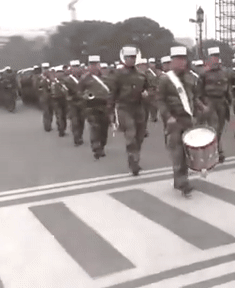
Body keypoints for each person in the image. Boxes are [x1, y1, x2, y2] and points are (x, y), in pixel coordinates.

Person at [157, 46, 206, 197]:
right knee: (177, 152)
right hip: (174, 120)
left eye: (183, 60)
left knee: (189, 152)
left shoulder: (191, 78)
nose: (181, 63)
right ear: (172, 61)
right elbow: (160, 100)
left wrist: (201, 107)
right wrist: (168, 117)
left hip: (188, 119)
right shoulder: (165, 79)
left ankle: (181, 179)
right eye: (178, 60)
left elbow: (194, 96)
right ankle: (182, 182)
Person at [110, 46, 150, 175]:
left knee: (140, 135)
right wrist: (110, 111)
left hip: (138, 107)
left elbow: (149, 88)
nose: (131, 60)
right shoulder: (118, 75)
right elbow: (112, 93)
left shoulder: (141, 75)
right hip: (124, 107)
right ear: (124, 59)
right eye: (128, 58)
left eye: (133, 58)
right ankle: (133, 161)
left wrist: (147, 93)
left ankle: (135, 158)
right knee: (131, 134)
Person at [197, 46, 231, 163]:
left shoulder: (225, 73)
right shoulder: (204, 74)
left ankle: (215, 149)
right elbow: (199, 91)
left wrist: (230, 102)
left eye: (217, 57)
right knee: (214, 127)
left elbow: (228, 90)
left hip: (222, 102)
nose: (215, 59)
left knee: (220, 128)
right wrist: (203, 105)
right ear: (209, 58)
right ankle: (217, 151)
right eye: (213, 57)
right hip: (210, 101)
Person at [79, 57, 111, 159]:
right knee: (94, 126)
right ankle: (96, 147)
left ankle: (102, 145)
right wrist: (84, 96)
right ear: (89, 66)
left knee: (104, 128)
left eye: (96, 64)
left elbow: (111, 91)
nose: (94, 66)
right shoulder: (85, 79)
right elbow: (79, 91)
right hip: (91, 106)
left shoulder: (106, 78)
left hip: (104, 106)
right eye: (92, 64)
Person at [63, 60, 86, 146]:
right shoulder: (68, 80)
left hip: (82, 102)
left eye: (77, 66)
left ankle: (80, 135)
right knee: (75, 121)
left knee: (81, 120)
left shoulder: (84, 78)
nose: (76, 68)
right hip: (72, 103)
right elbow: (65, 91)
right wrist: (69, 96)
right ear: (71, 68)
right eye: (74, 67)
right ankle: (76, 137)